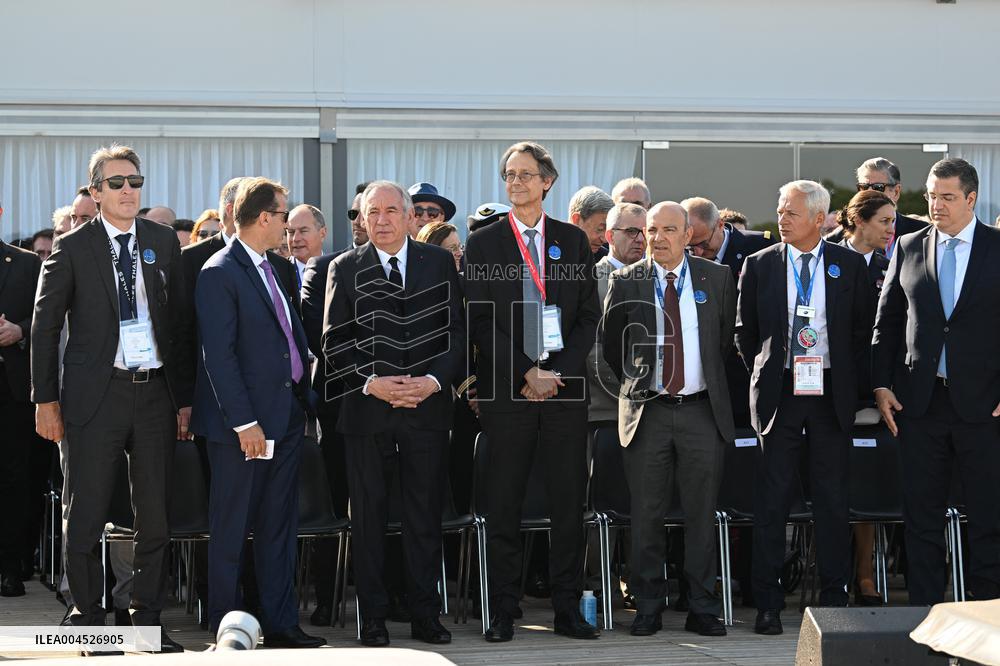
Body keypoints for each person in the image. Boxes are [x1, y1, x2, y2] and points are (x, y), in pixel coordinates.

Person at [30, 144, 185, 653]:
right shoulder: (72, 247)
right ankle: (89, 621)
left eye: (134, 182)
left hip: (155, 394)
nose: (127, 191)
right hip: (95, 396)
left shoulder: (162, 240)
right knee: (86, 513)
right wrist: (45, 401)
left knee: (155, 516)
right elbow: (44, 328)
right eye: (116, 183)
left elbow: (180, 323)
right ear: (96, 192)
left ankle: (145, 624)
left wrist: (183, 398)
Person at [464, 141, 600, 642]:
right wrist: (526, 371)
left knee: (568, 504)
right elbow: (480, 322)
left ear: (547, 181)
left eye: (525, 174)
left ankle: (567, 609)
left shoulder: (572, 240)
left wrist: (554, 373)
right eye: (509, 175)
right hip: (508, 393)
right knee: (504, 504)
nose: (516, 182)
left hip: (564, 391)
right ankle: (503, 609)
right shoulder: (484, 244)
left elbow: (588, 316)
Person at [322, 180, 465, 647]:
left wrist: (433, 382)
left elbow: (457, 332)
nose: (381, 220)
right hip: (368, 413)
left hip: (426, 410)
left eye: (390, 211)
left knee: (424, 517)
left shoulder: (438, 263)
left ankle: (426, 615)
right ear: (362, 219)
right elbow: (333, 341)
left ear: (408, 217)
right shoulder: (344, 267)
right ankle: (373, 618)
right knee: (368, 519)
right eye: (372, 212)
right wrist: (372, 383)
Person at [190, 177, 324, 649]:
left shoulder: (278, 268)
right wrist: (244, 423)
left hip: (285, 418)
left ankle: (281, 624)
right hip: (242, 429)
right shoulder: (219, 271)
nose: (288, 224)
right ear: (265, 217)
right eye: (284, 214)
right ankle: (225, 629)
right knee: (231, 529)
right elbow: (219, 356)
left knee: (278, 527)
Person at [735, 180, 871, 636]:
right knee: (772, 500)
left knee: (832, 499)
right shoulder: (760, 264)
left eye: (791, 212)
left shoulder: (848, 265)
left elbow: (861, 331)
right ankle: (768, 603)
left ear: (818, 218)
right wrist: (770, 370)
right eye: (780, 210)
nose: (782, 219)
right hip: (781, 392)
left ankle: (834, 598)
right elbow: (745, 333)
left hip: (830, 393)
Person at [602, 201, 736, 637]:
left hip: (701, 411)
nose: (657, 238)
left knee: (702, 515)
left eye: (668, 230)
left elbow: (724, 343)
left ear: (688, 235)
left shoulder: (717, 277)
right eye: (651, 230)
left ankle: (702, 606)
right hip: (648, 412)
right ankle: (647, 606)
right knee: (646, 515)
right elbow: (611, 346)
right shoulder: (627, 280)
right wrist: (637, 384)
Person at [872, 158, 1000, 604]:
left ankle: (988, 614)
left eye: (947, 197)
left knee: (987, 517)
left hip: (984, 406)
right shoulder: (908, 247)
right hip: (919, 405)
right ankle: (924, 614)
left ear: (971, 198)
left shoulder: (996, 247)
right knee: (921, 518)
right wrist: (881, 385)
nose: (936, 205)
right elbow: (888, 322)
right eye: (931, 196)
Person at [833, 188, 894, 606]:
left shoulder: (892, 264)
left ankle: (865, 575)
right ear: (859, 220)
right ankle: (833, 574)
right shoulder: (828, 259)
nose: (891, 230)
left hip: (877, 388)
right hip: (832, 388)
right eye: (884, 221)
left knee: (870, 483)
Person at [0, 201, 42, 598]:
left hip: (12, 392)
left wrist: (20, 330)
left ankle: (10, 568)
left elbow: (46, 318)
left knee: (14, 480)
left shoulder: (27, 264)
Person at [825, 157, 927, 255]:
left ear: (896, 192)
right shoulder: (833, 241)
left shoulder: (922, 233)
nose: (869, 194)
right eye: (864, 187)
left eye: (878, 187)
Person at [568, 186, 614, 258]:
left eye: (608, 230)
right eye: (600, 229)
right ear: (576, 220)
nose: (605, 240)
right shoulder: (551, 251)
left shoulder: (605, 258)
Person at [287, 204, 328, 288]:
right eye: (291, 232)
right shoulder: (276, 272)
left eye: (303, 231)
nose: (295, 239)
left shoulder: (336, 269)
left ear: (322, 234)